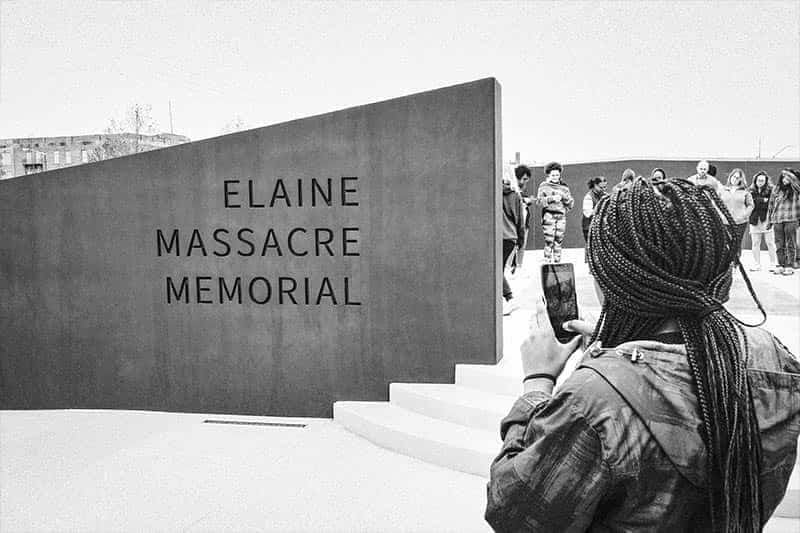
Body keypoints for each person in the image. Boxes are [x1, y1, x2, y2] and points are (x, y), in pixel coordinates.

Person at [485, 177, 800, 531]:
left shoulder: (593, 402)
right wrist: (612, 358)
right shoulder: (777, 361)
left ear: (617, 279)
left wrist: (538, 383)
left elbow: (513, 512)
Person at [536, 162, 574, 263]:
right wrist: (551, 198)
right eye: (553, 175)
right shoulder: (544, 186)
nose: (555, 177)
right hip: (548, 215)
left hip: (561, 216)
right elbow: (539, 201)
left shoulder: (564, 187)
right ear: (548, 175)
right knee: (549, 240)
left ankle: (557, 261)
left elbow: (570, 203)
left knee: (559, 240)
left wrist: (563, 198)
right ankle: (547, 261)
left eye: (557, 175)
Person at [767, 168, 800, 275]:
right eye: (783, 177)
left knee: (790, 242)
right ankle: (781, 265)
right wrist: (769, 221)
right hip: (777, 219)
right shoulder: (776, 189)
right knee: (779, 244)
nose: (785, 179)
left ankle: (790, 265)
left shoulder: (796, 189)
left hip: (791, 219)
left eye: (788, 177)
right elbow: (771, 206)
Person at [501, 174, 525, 314]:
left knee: (495, 271)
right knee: (498, 270)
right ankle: (508, 299)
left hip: (500, 236)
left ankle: (510, 299)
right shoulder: (515, 196)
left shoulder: (493, 193)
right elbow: (520, 221)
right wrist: (520, 241)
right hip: (511, 237)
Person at [748, 171, 778, 271]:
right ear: (755, 181)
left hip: (767, 220)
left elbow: (771, 204)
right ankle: (757, 264)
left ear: (766, 181)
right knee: (755, 243)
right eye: (758, 180)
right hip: (754, 220)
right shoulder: (750, 190)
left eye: (762, 180)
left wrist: (759, 201)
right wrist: (762, 200)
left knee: (770, 243)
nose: (760, 182)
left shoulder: (771, 190)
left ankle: (773, 264)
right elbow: (750, 204)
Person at [721, 168, 754, 251]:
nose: (735, 179)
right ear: (730, 177)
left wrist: (744, 215)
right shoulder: (723, 190)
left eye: (737, 177)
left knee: (736, 243)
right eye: (733, 176)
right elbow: (717, 204)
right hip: (725, 222)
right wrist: (720, 215)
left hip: (740, 222)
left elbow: (751, 205)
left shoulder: (745, 191)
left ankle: (736, 262)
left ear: (741, 179)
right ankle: (727, 263)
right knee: (725, 243)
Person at [581, 176, 608, 262]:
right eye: (601, 187)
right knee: (592, 246)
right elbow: (587, 213)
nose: (603, 189)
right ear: (595, 185)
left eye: (605, 187)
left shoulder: (605, 195)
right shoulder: (588, 197)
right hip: (589, 226)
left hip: (600, 225)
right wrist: (600, 210)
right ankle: (592, 266)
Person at [514, 165, 534, 270]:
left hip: (524, 222)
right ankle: (513, 266)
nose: (525, 182)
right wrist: (524, 200)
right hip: (516, 223)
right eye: (524, 179)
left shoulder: (521, 189)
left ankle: (519, 266)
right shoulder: (513, 189)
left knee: (522, 245)